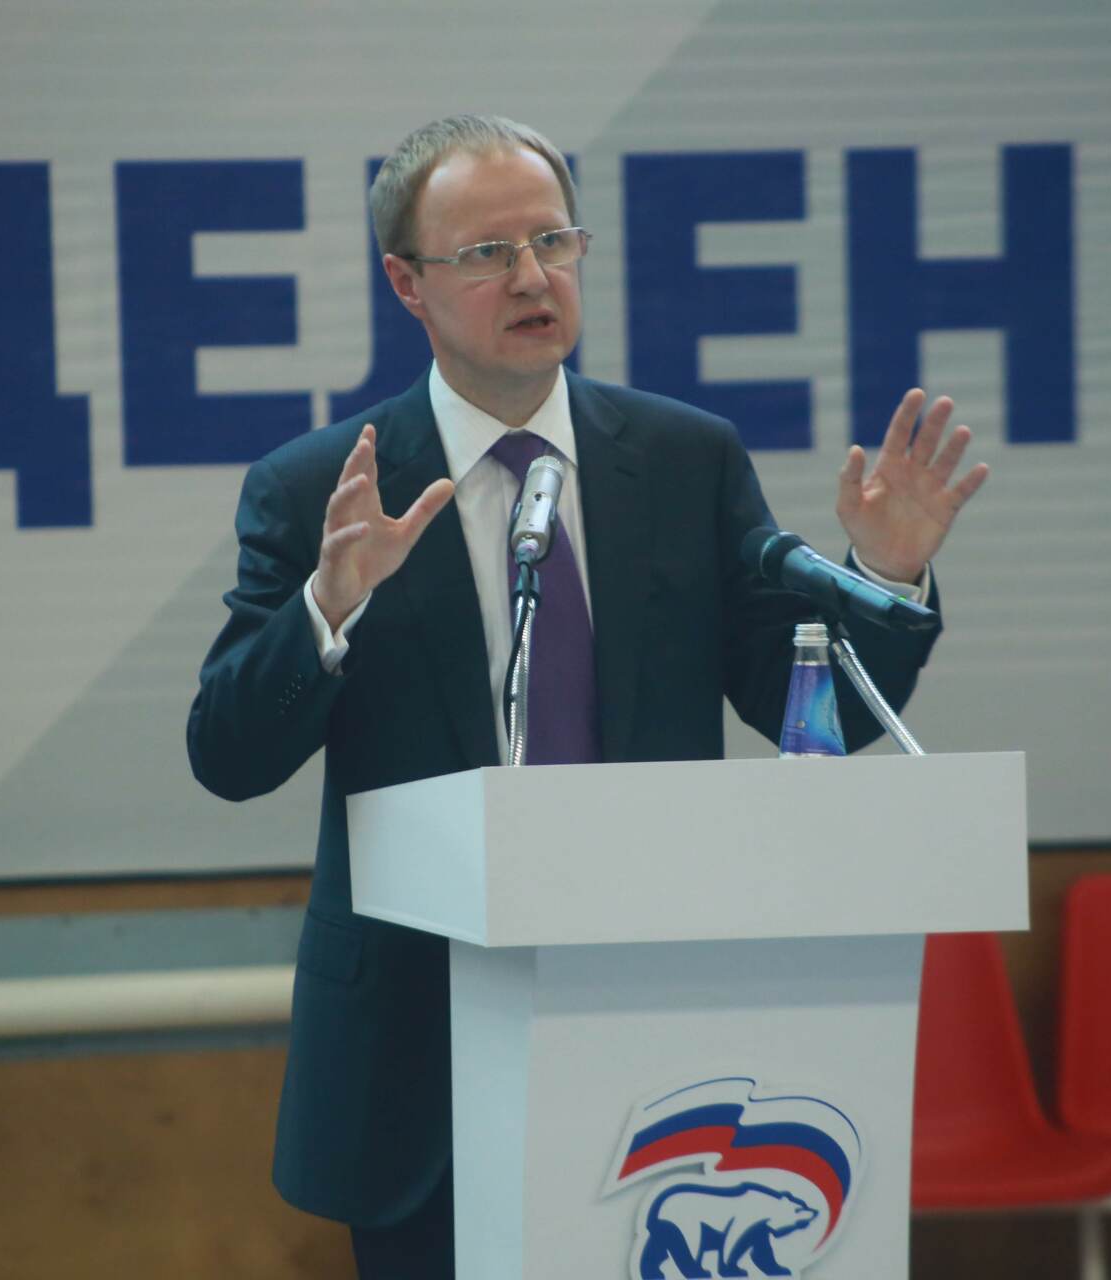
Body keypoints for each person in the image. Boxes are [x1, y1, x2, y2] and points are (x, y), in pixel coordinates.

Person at [187, 114, 988, 1278]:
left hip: (662, 1035)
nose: (532, 277)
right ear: (407, 283)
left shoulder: (684, 460)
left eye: (553, 241)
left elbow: (800, 705)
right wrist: (328, 605)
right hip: (422, 1054)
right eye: (487, 253)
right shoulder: (324, 488)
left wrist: (884, 573)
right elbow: (228, 753)